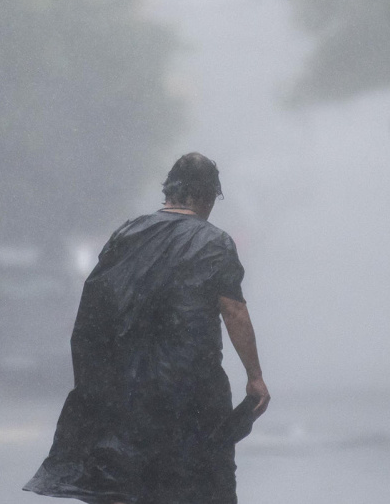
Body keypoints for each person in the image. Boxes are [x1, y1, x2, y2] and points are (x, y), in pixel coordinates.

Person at [24, 152, 269, 504]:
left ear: (168, 192)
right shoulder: (215, 243)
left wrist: (93, 389)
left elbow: (92, 316)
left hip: (129, 395)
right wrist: (255, 376)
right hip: (195, 394)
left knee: (132, 487)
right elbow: (234, 312)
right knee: (207, 483)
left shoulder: (126, 235)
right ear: (205, 196)